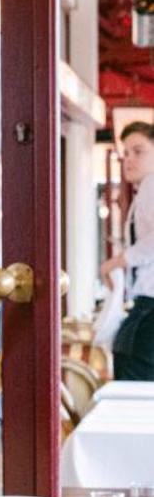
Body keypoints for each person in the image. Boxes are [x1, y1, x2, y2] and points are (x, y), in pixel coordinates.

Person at [102, 120, 154, 381]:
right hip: (145, 306)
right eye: (126, 153)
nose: (129, 160)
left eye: (139, 151)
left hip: (150, 307)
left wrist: (117, 262)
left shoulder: (152, 186)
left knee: (132, 366)